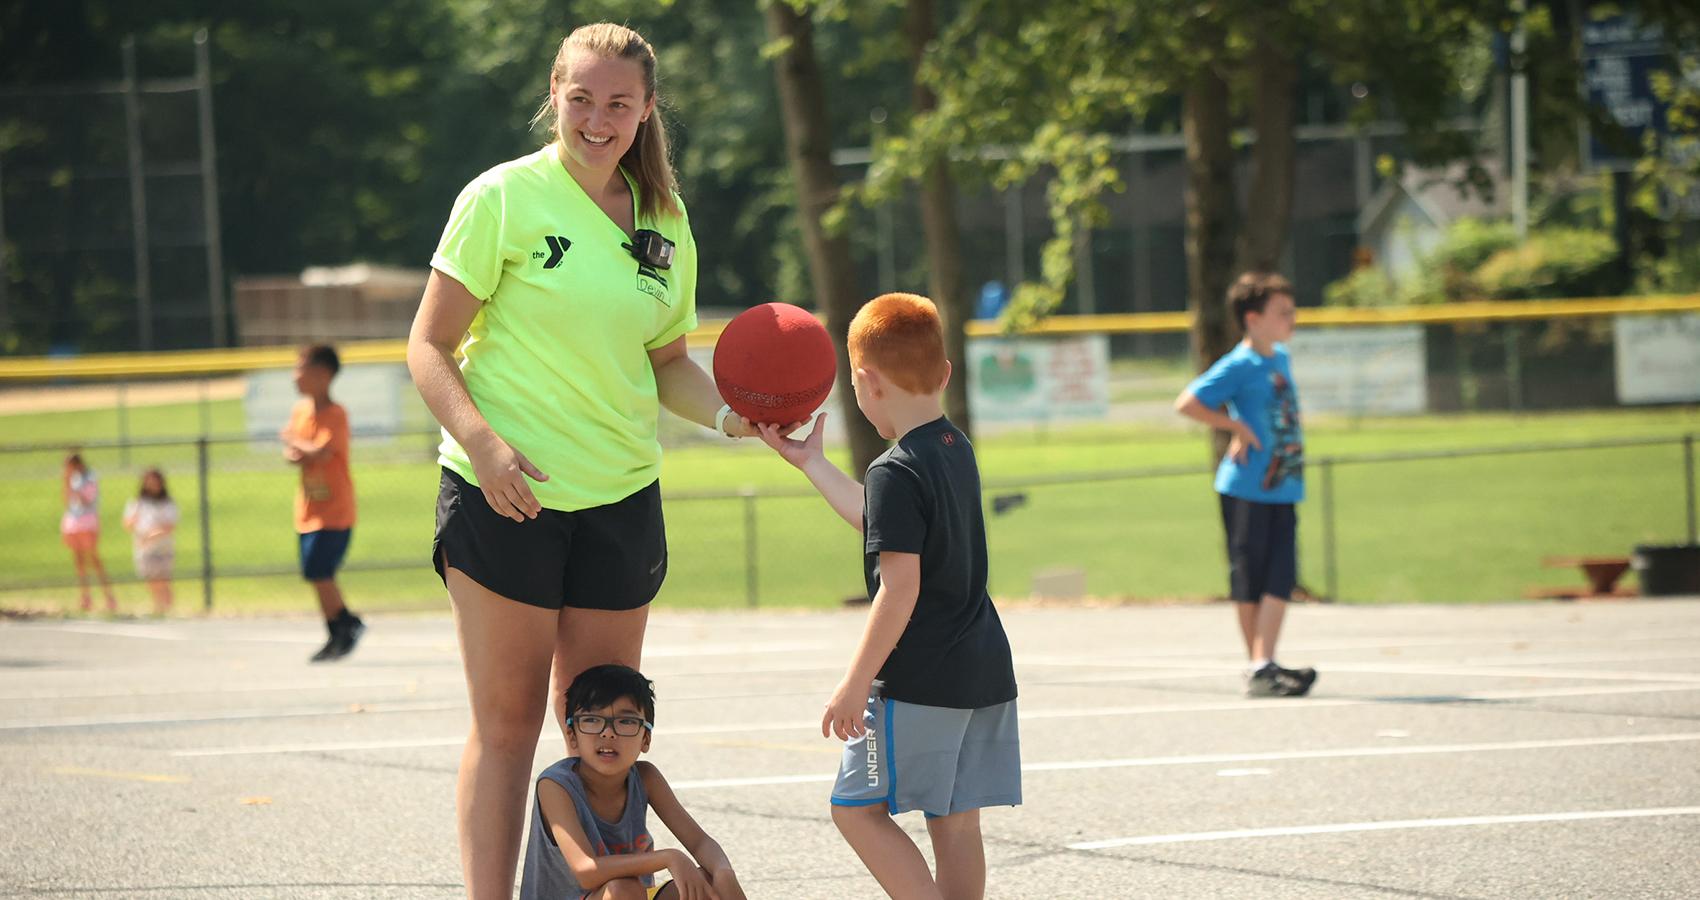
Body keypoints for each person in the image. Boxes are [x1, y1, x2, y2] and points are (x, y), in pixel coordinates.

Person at [406, 24, 790, 899]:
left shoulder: (665, 219)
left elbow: (667, 365)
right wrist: (484, 444)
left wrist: (738, 420)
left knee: (600, 728)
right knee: (506, 728)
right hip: (504, 497)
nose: (598, 117)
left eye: (619, 102)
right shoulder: (502, 197)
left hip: (621, 500)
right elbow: (428, 347)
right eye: (581, 98)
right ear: (554, 95)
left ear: (647, 110)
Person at [757, 293, 1021, 900]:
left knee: (856, 810)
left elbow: (900, 588)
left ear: (863, 381)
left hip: (922, 678)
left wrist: (855, 684)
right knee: (954, 821)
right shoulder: (954, 448)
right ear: (944, 373)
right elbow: (881, 522)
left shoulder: (894, 467)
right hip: (981, 669)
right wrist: (811, 463)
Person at [1174, 270, 1318, 698]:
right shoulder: (1240, 363)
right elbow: (1188, 403)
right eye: (1282, 313)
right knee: (1251, 576)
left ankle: (1264, 662)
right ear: (1253, 319)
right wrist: (1233, 425)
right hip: (1245, 488)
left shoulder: (1281, 358)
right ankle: (1260, 665)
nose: (1292, 319)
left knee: (1282, 573)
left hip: (1284, 486)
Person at [522, 664, 746, 900]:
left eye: (625, 722)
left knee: (707, 881)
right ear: (572, 735)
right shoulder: (556, 785)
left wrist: (723, 873)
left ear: (646, 739)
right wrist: (669, 857)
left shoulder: (645, 777)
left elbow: (700, 842)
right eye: (592, 720)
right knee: (623, 890)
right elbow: (586, 870)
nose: (608, 733)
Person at [281, 344, 365, 663]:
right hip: (308, 508)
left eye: (301, 368)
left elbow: (320, 451)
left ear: (322, 374)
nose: (295, 376)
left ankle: (345, 624)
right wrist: (299, 447)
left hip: (334, 510)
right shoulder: (301, 411)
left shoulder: (336, 414)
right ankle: (339, 627)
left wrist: (297, 444)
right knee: (314, 572)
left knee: (320, 569)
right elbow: (295, 451)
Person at [61, 452, 116, 613]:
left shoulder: (90, 477)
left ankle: (109, 596)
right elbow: (67, 501)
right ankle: (85, 597)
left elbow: (87, 500)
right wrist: (66, 482)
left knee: (94, 560)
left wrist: (73, 488)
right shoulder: (73, 479)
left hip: (88, 522)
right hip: (73, 522)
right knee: (79, 562)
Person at [122, 467, 178, 615]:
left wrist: (150, 536)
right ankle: (158, 607)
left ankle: (167, 608)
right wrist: (134, 522)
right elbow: (127, 523)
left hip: (162, 547)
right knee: (151, 579)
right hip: (144, 548)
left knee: (163, 579)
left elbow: (169, 526)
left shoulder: (167, 503)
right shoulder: (137, 503)